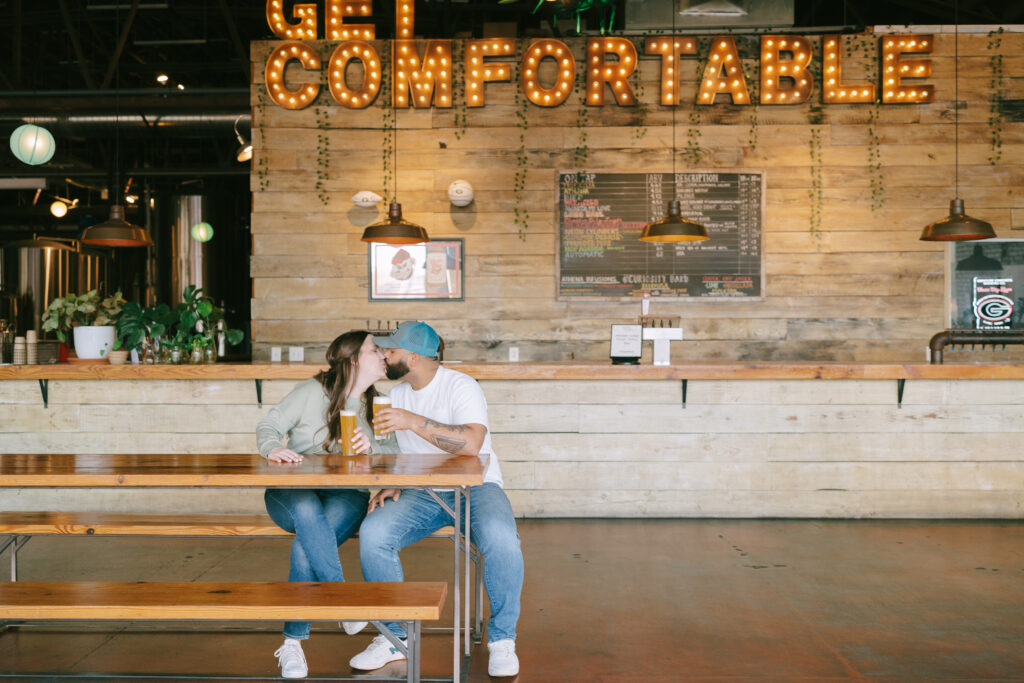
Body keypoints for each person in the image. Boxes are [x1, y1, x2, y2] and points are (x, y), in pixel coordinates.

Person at [349, 321, 523, 678]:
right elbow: (389, 450)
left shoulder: (461, 386)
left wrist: (412, 421)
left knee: (503, 541)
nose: (384, 355)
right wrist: (392, 480)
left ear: (412, 357)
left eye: (390, 351)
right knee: (374, 534)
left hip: (478, 487)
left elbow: (472, 445)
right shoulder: (394, 394)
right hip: (422, 492)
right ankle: (395, 638)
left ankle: (503, 639)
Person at [256, 330, 398, 679]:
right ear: (352, 359)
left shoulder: (376, 404)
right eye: (374, 350)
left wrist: (374, 449)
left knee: (306, 547)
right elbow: (269, 425)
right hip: (292, 489)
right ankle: (344, 601)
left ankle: (292, 644)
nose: (383, 356)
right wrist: (272, 448)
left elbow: (394, 456)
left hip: (347, 495)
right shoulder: (310, 392)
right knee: (306, 509)